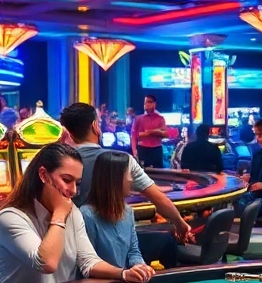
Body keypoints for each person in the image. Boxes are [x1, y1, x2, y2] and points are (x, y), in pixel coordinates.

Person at [0, 143, 150, 283]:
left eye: (77, 183)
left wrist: (123, 273)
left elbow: (89, 261)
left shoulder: (72, 212)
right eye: (66, 180)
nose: (72, 190)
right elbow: (46, 263)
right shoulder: (10, 216)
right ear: (43, 175)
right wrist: (59, 215)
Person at [60, 102, 192, 247]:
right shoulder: (123, 160)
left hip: (68, 244)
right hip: (113, 246)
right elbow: (160, 200)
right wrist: (180, 224)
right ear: (94, 126)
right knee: (166, 244)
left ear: (68, 132)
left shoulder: (56, 162)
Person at [81, 151, 168, 274]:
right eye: (128, 175)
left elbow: (133, 251)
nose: (131, 179)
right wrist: (123, 274)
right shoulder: (86, 215)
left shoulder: (128, 212)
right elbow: (89, 263)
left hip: (124, 280)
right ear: (114, 179)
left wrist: (140, 267)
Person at [131, 95, 167, 169]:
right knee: (142, 172)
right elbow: (134, 136)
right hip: (142, 149)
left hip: (156, 149)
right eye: (145, 103)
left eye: (149, 102)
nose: (146, 105)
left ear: (154, 104)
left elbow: (165, 134)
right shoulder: (138, 119)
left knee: (158, 173)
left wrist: (148, 132)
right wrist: (134, 152)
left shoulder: (160, 118)